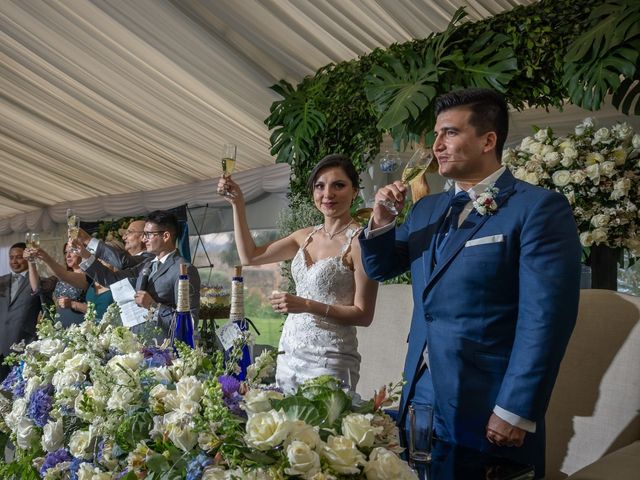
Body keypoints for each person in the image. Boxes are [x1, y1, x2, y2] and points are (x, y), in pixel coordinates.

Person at [359, 88, 581, 478]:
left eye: (449, 133)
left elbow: (546, 318)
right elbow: (380, 268)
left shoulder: (538, 208)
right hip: (420, 393)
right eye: (436, 135)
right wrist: (380, 222)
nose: (436, 147)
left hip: (489, 399)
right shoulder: (427, 208)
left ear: (488, 140)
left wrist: (516, 407)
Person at [218, 154, 378, 393]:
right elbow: (249, 256)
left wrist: (305, 304)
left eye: (339, 185)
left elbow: (363, 315)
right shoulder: (304, 236)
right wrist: (238, 204)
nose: (328, 194)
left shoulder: (361, 242)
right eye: (320, 186)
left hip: (330, 357)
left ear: (354, 191)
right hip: (290, 352)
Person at [74, 210, 200, 338]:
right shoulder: (147, 264)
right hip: (139, 344)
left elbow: (189, 323)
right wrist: (84, 254)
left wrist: (154, 306)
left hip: (166, 350)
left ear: (166, 236)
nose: (144, 239)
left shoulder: (183, 269)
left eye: (148, 234)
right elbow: (111, 279)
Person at [0, 243, 40, 379]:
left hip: (23, 345)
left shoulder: (38, 281)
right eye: (11, 258)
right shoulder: (1, 282)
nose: (14, 262)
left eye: (18, 257)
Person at [27, 243, 88, 327]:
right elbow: (36, 288)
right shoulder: (58, 279)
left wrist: (73, 304)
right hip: (60, 329)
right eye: (66, 252)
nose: (68, 256)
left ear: (83, 252)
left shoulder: (89, 277)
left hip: (82, 327)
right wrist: (31, 261)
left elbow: (96, 309)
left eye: (72, 251)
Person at [77, 219, 153, 270]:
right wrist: (85, 255)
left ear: (144, 236)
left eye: (129, 232)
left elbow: (123, 262)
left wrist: (87, 240)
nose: (123, 237)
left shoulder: (149, 258)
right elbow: (105, 277)